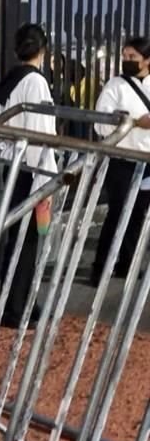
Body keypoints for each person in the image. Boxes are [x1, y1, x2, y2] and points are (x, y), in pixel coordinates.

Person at [0, 23, 58, 328]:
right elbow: (41, 132)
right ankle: (18, 309)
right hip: (32, 169)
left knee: (17, 238)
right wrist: (47, 179)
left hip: (13, 166)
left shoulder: (9, 81)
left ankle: (15, 302)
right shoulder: (35, 82)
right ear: (43, 50)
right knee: (27, 241)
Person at [90, 37, 150, 285]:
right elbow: (100, 122)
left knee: (138, 214)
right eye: (125, 56)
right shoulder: (115, 86)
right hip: (122, 160)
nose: (127, 61)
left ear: (147, 60)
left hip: (147, 161)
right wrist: (134, 122)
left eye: (132, 57)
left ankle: (127, 264)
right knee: (117, 214)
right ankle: (101, 267)